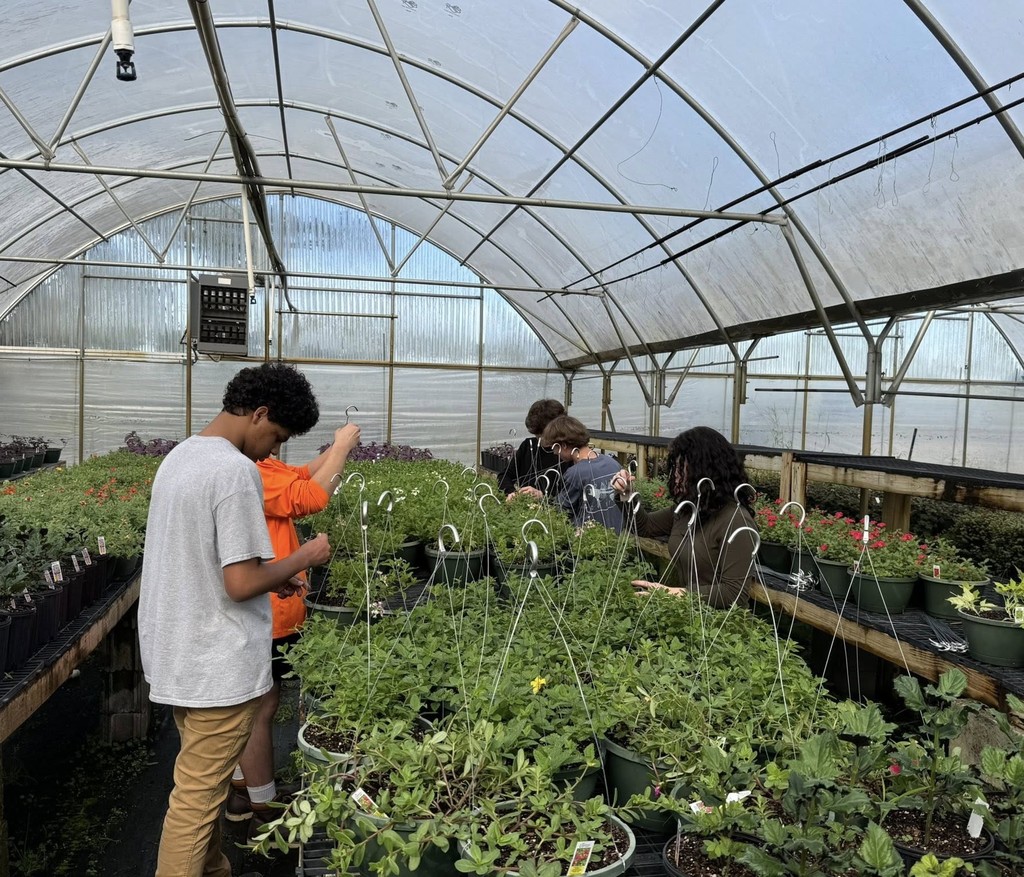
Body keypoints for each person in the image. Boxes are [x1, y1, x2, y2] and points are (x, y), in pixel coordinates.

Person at [138, 362, 332, 877]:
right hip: (215, 665)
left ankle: (216, 869)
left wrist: (276, 573)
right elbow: (240, 583)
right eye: (278, 435)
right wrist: (304, 558)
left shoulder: (182, 457)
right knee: (196, 803)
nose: (275, 450)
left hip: (178, 652)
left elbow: (213, 561)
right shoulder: (233, 469)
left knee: (204, 784)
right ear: (260, 413)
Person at [225, 424, 361, 827]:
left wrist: (337, 451)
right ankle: (262, 804)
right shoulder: (247, 471)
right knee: (259, 707)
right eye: (278, 433)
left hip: (275, 601)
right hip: (266, 608)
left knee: (256, 705)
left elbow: (302, 475)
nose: (280, 444)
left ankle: (239, 790)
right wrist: (340, 446)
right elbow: (312, 497)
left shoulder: (259, 463)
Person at [613, 425, 756, 608]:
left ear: (707, 471)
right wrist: (627, 494)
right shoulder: (688, 510)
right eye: (675, 469)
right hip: (687, 614)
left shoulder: (736, 521)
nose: (676, 477)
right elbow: (645, 526)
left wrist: (673, 593)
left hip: (721, 628)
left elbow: (734, 594)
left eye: (682, 470)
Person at [517, 414, 623, 533]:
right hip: (617, 534)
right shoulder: (612, 462)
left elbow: (561, 510)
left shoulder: (575, 472)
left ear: (563, 445)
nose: (555, 453)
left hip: (589, 537)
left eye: (554, 448)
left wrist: (540, 499)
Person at [498, 398, 567, 497]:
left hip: (552, 510)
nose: (541, 440)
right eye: (537, 435)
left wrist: (543, 495)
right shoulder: (528, 446)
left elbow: (570, 495)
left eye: (544, 435)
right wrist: (511, 492)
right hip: (526, 508)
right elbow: (504, 476)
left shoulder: (566, 453)